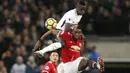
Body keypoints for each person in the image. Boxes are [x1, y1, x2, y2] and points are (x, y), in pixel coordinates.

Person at [35, 25, 104, 73]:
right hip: (64, 65)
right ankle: (42, 51)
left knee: (84, 60)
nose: (77, 34)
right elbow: (52, 31)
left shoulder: (81, 38)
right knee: (61, 44)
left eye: (79, 33)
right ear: (71, 32)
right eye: (75, 32)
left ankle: (97, 66)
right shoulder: (66, 35)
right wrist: (40, 40)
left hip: (74, 64)